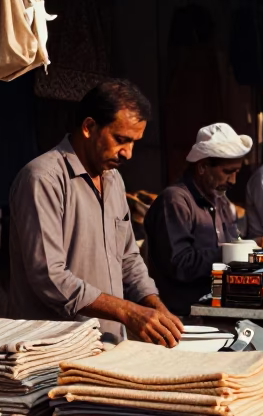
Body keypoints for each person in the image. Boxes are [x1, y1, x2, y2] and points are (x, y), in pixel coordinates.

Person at [9, 79, 183, 346]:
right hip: (51, 348)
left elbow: (128, 257)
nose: (128, 153)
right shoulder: (43, 178)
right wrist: (127, 311)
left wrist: (154, 304)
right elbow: (49, 277)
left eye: (135, 142)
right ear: (89, 127)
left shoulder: (114, 180)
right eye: (121, 140)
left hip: (108, 342)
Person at [143, 123, 263, 316]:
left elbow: (229, 249)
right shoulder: (175, 200)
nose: (233, 181)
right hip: (183, 315)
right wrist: (235, 252)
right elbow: (179, 265)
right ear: (202, 167)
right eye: (227, 172)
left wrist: (252, 248)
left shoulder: (222, 202)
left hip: (218, 308)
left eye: (236, 172)